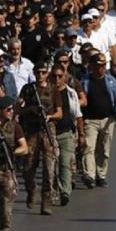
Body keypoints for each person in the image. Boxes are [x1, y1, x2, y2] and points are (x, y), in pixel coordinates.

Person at [16, 62, 62, 216]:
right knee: (28, 168)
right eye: (37, 72)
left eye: (43, 72)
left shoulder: (53, 90)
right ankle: (31, 190)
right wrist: (29, 109)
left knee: (49, 169)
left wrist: (49, 116)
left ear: (47, 73)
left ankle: (46, 201)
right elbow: (17, 108)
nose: (40, 75)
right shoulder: (28, 89)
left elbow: (59, 113)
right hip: (31, 132)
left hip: (48, 131)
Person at [80, 53, 116, 189]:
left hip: (107, 120)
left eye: (104, 65)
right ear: (92, 66)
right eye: (99, 66)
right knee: (89, 148)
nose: (102, 68)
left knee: (104, 150)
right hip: (90, 121)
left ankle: (101, 175)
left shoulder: (110, 80)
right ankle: (90, 176)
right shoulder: (85, 81)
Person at [52, 64, 84, 207]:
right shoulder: (47, 93)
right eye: (55, 76)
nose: (57, 79)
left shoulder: (71, 93)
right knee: (53, 166)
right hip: (51, 134)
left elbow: (78, 115)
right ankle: (53, 191)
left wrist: (81, 134)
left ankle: (65, 192)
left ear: (65, 77)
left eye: (60, 76)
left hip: (66, 133)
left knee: (65, 163)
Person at [0, 96, 28, 230]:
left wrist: (12, 152)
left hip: (6, 170)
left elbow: (24, 148)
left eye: (12, 109)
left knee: (6, 205)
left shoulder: (15, 126)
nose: (12, 112)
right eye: (8, 109)